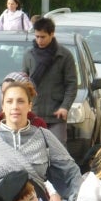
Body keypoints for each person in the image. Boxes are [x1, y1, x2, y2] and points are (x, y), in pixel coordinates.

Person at [0, 79, 81, 201]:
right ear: (3, 106)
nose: (15, 106)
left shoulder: (44, 136)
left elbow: (72, 172)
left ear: (30, 106)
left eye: (21, 101)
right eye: (9, 101)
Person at [23, 17, 77, 146]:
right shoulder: (29, 55)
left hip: (56, 115)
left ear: (52, 34)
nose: (39, 40)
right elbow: (23, 83)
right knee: (33, 151)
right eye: (37, 36)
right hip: (34, 114)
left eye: (43, 37)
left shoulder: (64, 55)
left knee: (57, 153)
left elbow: (71, 84)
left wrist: (65, 107)